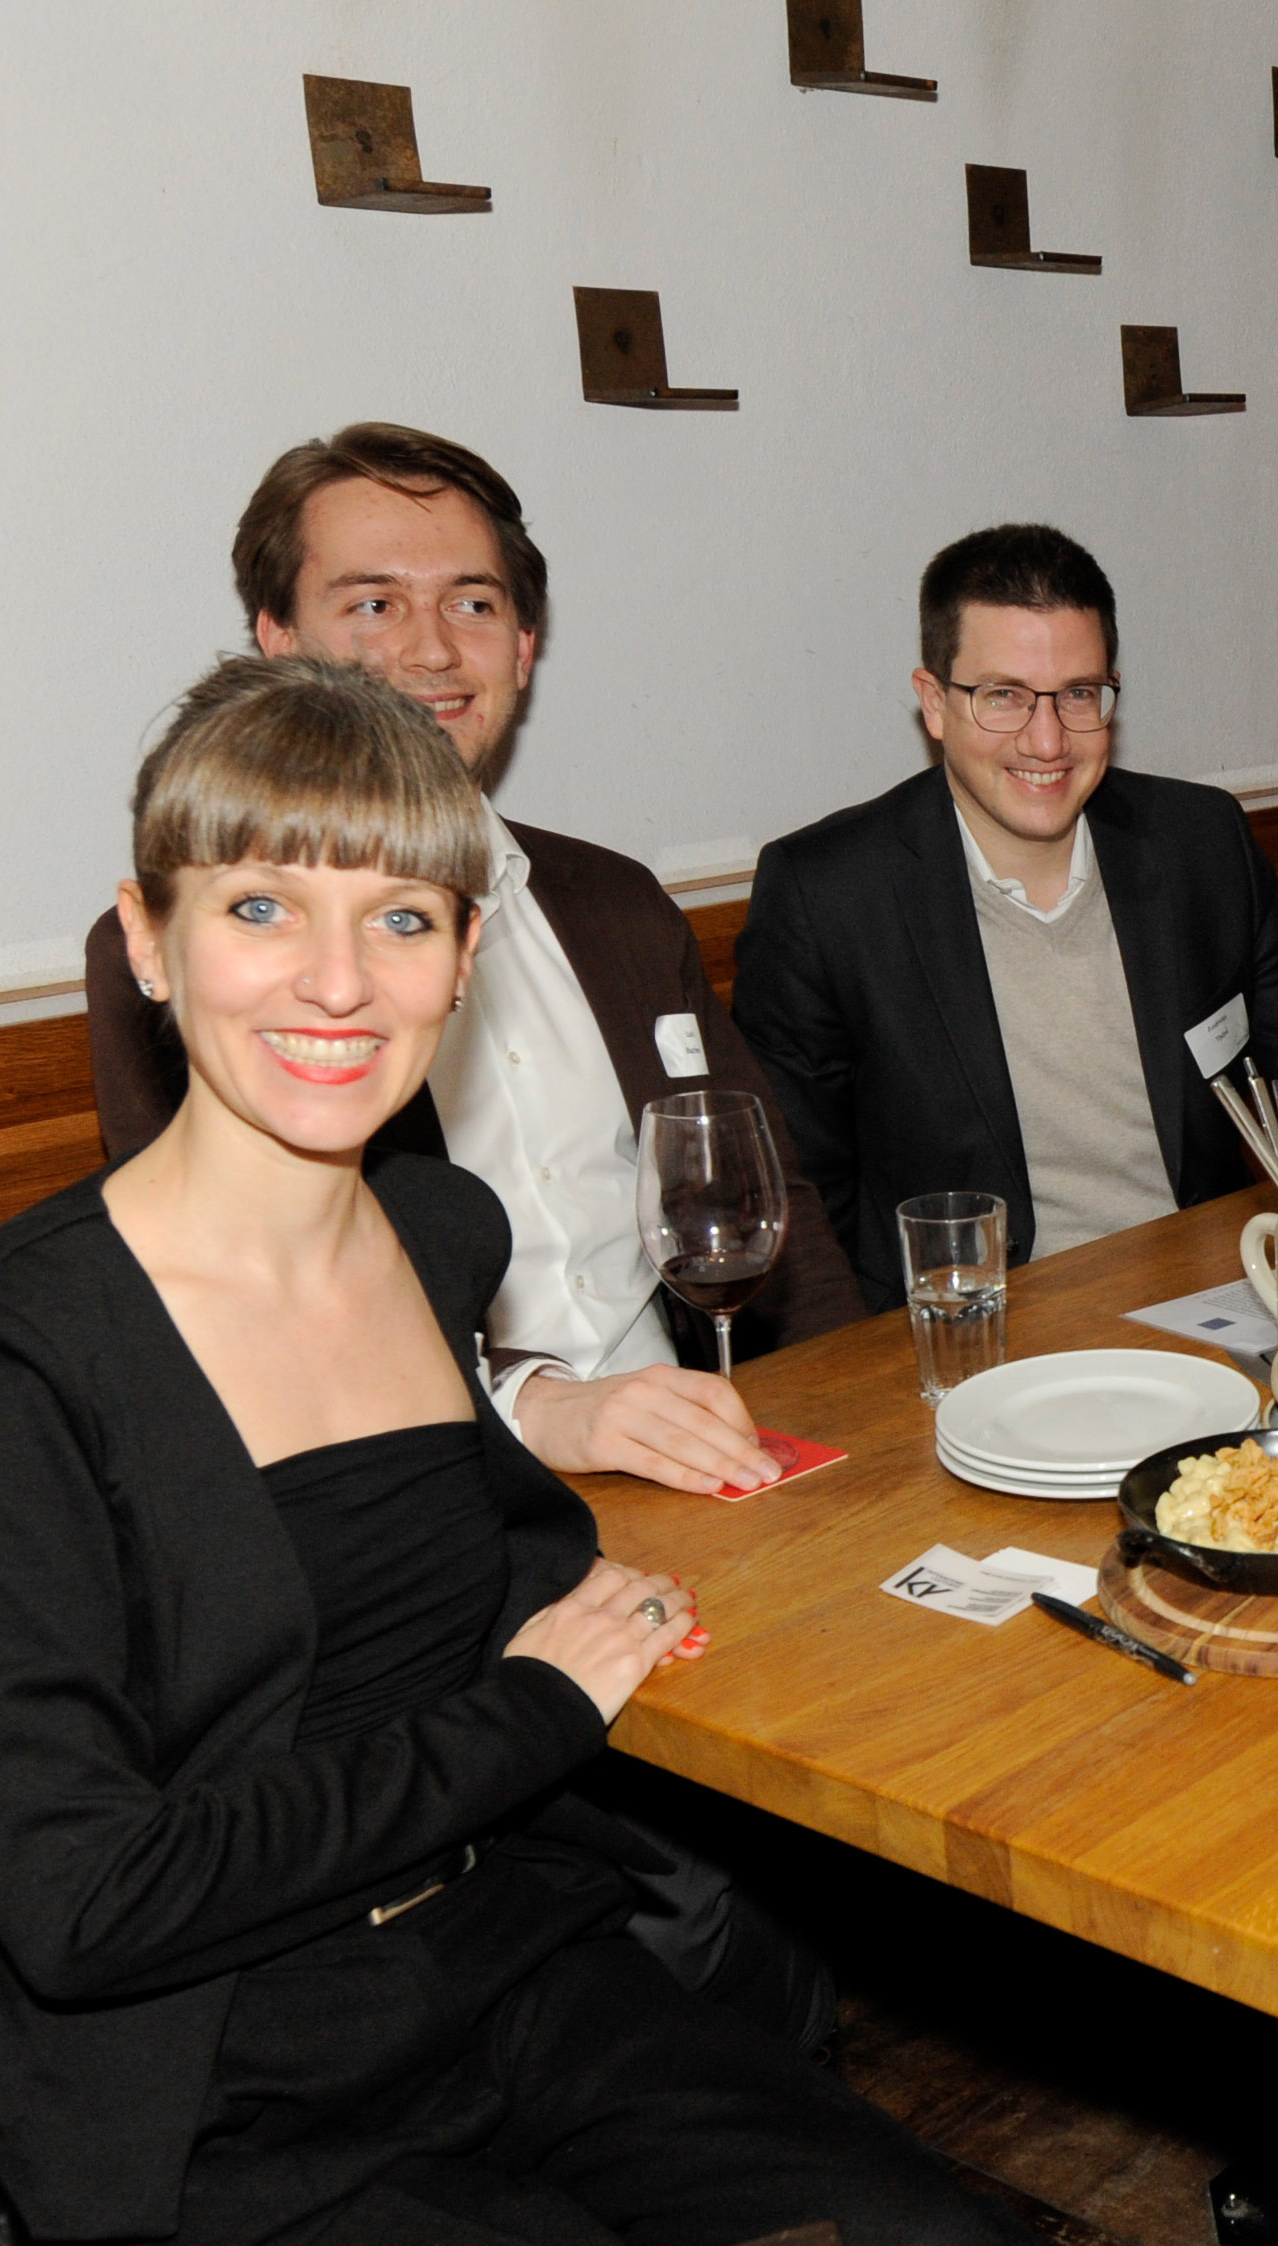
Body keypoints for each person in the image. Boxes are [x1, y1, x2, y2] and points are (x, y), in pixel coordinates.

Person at [0, 656, 1140, 2246]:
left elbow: (463, 1571)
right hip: (210, 2102)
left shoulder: (436, 1229)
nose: (335, 981)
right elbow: (89, 1899)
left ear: (463, 961)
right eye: (258, 907)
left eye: (399, 917)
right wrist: (532, 1709)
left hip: (501, 1967)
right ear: (147, 940)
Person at [87, 424, 846, 1498]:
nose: (433, 651)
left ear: (525, 648)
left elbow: (768, 1203)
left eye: (473, 603)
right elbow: (228, 1312)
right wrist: (536, 1409)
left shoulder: (617, 903)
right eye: (373, 603)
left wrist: (858, 1419)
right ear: (278, 644)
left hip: (700, 1453)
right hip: (422, 1489)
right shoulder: (205, 961)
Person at [732, 523, 1278, 1311]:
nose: (1047, 739)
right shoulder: (829, 894)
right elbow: (796, 1195)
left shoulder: (1199, 842)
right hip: (977, 1334)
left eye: (1078, 694)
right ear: (935, 704)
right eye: (1004, 696)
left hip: (1211, 1298)